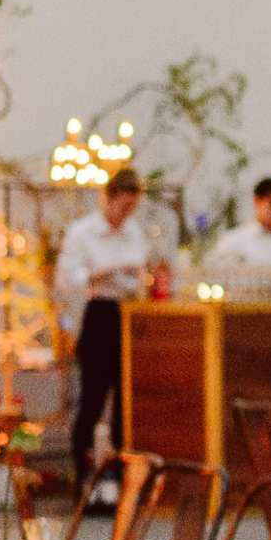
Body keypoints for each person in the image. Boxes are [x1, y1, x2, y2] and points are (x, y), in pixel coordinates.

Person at [55, 169, 165, 493]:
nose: (126, 214)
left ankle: (121, 478)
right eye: (122, 206)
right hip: (98, 314)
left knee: (126, 402)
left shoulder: (134, 232)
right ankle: (81, 476)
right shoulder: (83, 232)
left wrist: (139, 276)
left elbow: (142, 269)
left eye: (132, 208)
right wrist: (101, 273)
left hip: (128, 316)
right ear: (109, 198)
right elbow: (66, 278)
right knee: (92, 399)